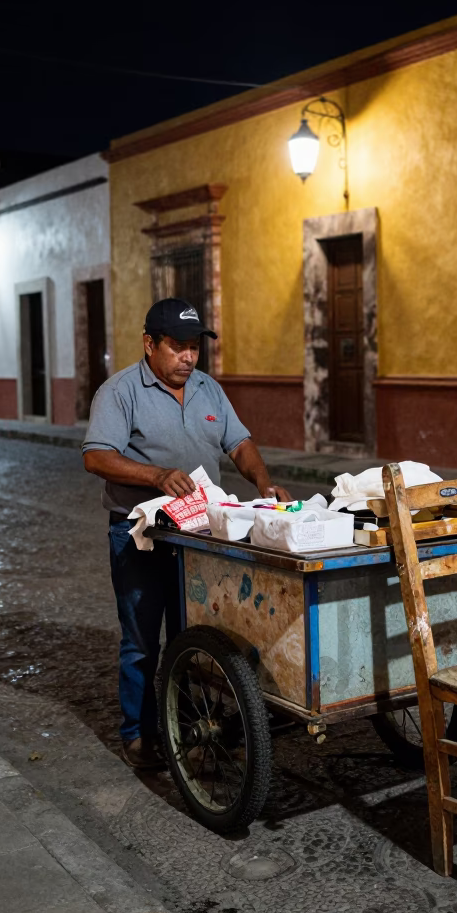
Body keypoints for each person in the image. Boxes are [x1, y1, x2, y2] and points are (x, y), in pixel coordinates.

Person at [82, 297, 291, 770]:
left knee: (196, 632)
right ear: (149, 344)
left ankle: (192, 722)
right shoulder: (120, 392)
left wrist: (263, 482)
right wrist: (155, 476)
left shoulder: (208, 390)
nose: (188, 357)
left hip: (198, 534)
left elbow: (239, 443)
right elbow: (96, 456)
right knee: (142, 640)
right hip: (141, 534)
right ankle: (138, 733)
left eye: (194, 347)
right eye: (177, 347)